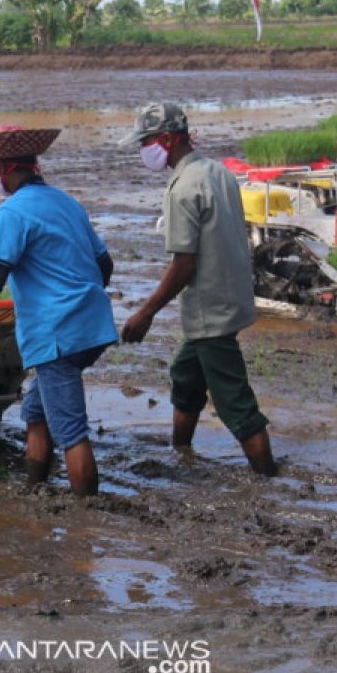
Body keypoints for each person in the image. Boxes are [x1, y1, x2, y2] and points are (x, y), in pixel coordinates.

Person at [0, 126, 117, 496]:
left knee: (71, 431)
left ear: (2, 167)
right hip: (92, 325)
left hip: (57, 333)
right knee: (35, 412)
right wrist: (77, 294)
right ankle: (35, 488)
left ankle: (88, 516)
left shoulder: (12, 212)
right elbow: (104, 264)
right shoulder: (66, 202)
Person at [119, 103, 276, 476]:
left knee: (234, 402)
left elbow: (183, 265)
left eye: (146, 142)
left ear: (168, 140)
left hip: (210, 309)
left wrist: (145, 313)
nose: (144, 150)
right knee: (186, 376)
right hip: (231, 296)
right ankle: (181, 451)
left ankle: (267, 477)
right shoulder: (218, 171)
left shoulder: (182, 188)